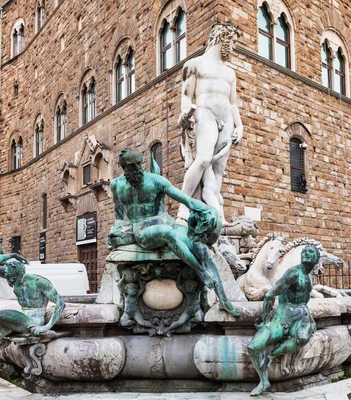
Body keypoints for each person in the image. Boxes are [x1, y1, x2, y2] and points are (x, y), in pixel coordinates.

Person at [107, 148, 239, 317]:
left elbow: (187, 200)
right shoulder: (116, 185)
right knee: (167, 233)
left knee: (199, 245)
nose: (136, 169)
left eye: (138, 164)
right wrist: (118, 229)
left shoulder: (156, 181)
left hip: (165, 222)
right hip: (143, 229)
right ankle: (202, 273)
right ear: (124, 167)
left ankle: (224, 300)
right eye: (131, 166)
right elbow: (118, 215)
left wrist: (207, 210)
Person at [177, 22, 243, 222]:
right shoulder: (194, 65)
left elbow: (232, 103)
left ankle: (213, 213)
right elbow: (187, 97)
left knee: (218, 169)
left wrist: (240, 125)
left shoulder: (230, 73)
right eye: (231, 42)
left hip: (227, 119)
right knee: (204, 159)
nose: (232, 48)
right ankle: (183, 208)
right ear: (222, 39)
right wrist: (185, 113)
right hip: (205, 114)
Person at [247, 245, 320, 396]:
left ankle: (271, 355)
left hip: (302, 315)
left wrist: (310, 319)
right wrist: (267, 320)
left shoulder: (310, 277)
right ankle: (264, 381)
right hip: (283, 315)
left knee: (302, 337)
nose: (306, 254)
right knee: (253, 347)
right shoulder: (293, 273)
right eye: (304, 252)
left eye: (310, 252)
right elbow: (269, 295)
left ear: (317, 259)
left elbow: (304, 302)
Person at [0, 261, 66, 366]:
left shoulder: (38, 282)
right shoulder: (15, 281)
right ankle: (4, 333)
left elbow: (61, 303)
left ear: (16, 274)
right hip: (21, 320)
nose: (6, 277)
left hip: (32, 322)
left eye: (8, 275)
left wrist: (46, 327)